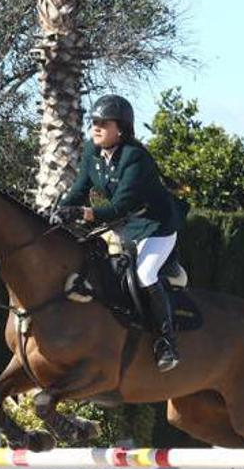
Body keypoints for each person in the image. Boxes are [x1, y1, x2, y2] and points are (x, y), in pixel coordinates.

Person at [54, 94, 184, 372]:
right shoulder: (92, 151)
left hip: (156, 226)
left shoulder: (135, 157)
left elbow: (119, 205)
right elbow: (80, 189)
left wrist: (85, 213)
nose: (96, 127)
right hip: (127, 225)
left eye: (104, 123)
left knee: (144, 274)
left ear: (121, 128)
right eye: (94, 122)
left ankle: (166, 341)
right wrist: (61, 209)